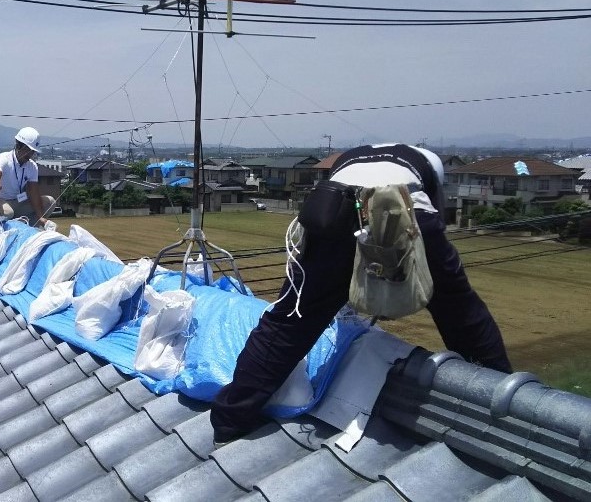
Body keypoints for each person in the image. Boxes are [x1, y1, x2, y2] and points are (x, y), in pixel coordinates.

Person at [210, 143, 512, 444]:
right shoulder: (424, 173)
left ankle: (231, 419)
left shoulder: (352, 158)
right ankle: (501, 406)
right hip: (407, 213)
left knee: (290, 320)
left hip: (335, 212)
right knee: (461, 313)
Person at [0, 127, 55, 225]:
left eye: (33, 151)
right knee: (7, 212)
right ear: (18, 145)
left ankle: (26, 229)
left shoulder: (32, 166)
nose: (31, 154)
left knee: (50, 202)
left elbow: (34, 193)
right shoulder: (4, 158)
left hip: (16, 202)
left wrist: (40, 216)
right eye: (28, 150)